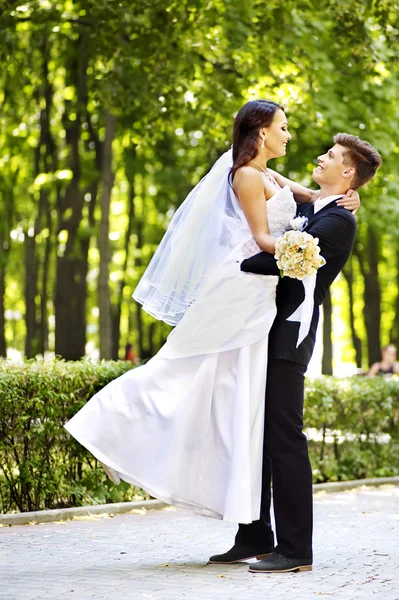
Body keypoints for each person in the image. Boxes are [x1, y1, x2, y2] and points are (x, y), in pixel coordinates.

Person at [64, 100, 360, 526]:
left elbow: (312, 197)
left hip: (263, 297)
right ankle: (112, 428)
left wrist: (343, 200)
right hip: (244, 284)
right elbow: (261, 239)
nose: (289, 135)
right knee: (187, 369)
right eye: (283, 127)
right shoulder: (243, 174)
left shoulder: (264, 173)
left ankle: (246, 522)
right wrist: (304, 249)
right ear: (261, 133)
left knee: (229, 398)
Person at [209, 133, 382, 573]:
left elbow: (288, 260)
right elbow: (274, 187)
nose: (320, 157)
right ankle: (253, 534)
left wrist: (239, 264)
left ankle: (295, 549)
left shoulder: (339, 222)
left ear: (347, 173)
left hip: (291, 333)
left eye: (331, 156)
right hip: (264, 326)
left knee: (285, 437)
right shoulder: (315, 208)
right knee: (257, 432)